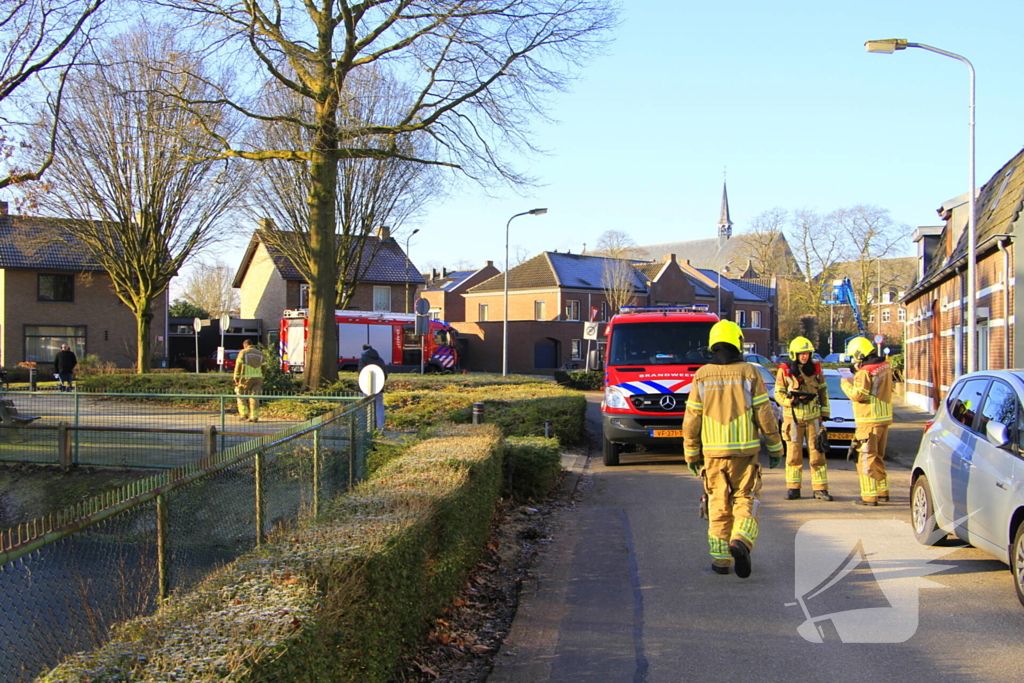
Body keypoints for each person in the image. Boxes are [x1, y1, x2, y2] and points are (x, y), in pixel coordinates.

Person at [683, 320, 783, 578]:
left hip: (713, 455)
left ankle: (720, 561)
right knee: (745, 500)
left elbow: (692, 419)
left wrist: (691, 453)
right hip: (745, 454)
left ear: (713, 345)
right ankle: (740, 540)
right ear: (737, 342)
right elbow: (765, 413)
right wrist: (775, 448)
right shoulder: (750, 372)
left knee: (717, 504)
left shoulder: (701, 375)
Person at [775, 336, 833, 501]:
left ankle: (820, 489)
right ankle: (793, 488)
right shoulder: (785, 370)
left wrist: (825, 413)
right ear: (794, 354)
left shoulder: (816, 369)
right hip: (792, 418)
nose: (804, 356)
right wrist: (789, 401)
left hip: (813, 417)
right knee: (793, 454)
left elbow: (823, 392)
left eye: (807, 353)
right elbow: (778, 393)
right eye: (801, 354)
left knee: (818, 454)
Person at [841, 336, 893, 506]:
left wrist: (846, 384)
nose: (854, 359)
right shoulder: (884, 366)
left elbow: (859, 395)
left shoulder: (865, 372)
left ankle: (869, 496)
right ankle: (882, 491)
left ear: (860, 354)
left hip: (868, 420)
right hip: (884, 418)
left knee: (865, 458)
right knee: (878, 457)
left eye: (855, 356)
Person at [233, 339, 265, 422]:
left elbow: (238, 365)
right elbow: (264, 366)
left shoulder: (243, 352)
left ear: (245, 345)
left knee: (240, 395)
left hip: (245, 379)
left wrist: (236, 377)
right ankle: (254, 417)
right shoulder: (260, 353)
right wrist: (262, 376)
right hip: (258, 378)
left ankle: (244, 414)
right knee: (254, 397)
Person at [358, 343, 387, 430]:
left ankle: (362, 427)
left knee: (361, 406)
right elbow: (385, 374)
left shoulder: (363, 359)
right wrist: (379, 383)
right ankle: (380, 427)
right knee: (379, 406)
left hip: (364, 388)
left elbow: (361, 372)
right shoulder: (380, 360)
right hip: (378, 387)